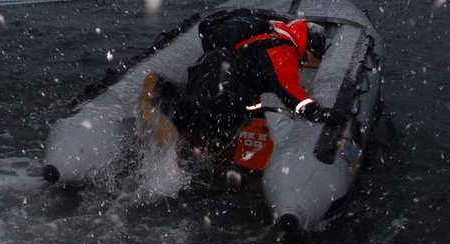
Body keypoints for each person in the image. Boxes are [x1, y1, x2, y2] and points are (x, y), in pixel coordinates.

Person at [140, 11, 345, 153]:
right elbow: (287, 87)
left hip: (214, 64)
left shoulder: (273, 34)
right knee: (212, 115)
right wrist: (314, 111)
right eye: (311, 55)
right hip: (226, 74)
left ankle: (169, 107)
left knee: (208, 111)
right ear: (307, 44)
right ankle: (162, 92)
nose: (310, 60)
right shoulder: (285, 50)